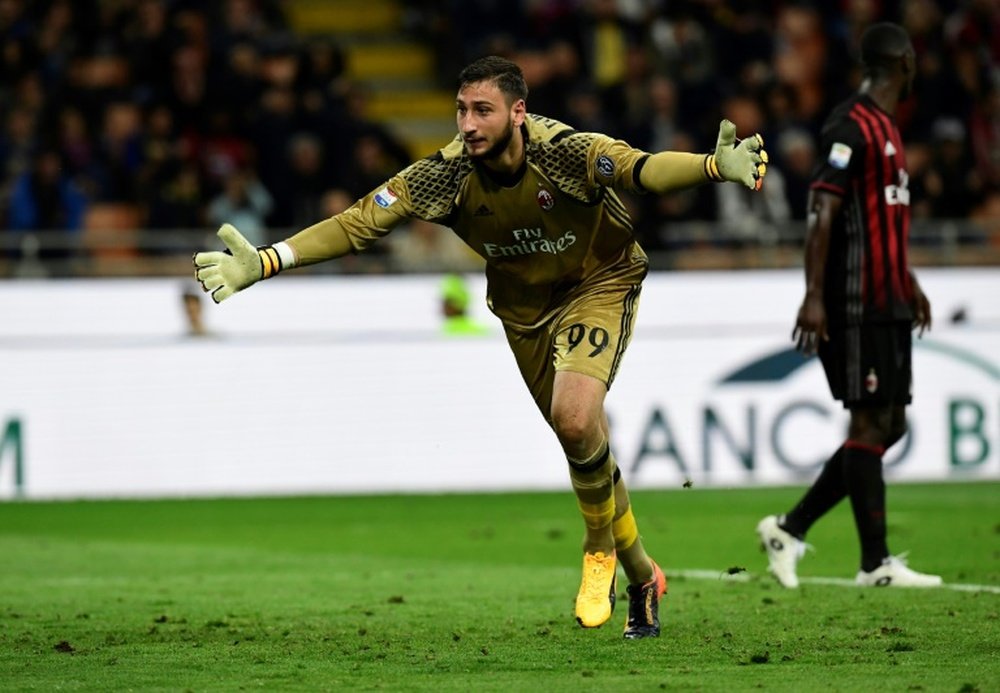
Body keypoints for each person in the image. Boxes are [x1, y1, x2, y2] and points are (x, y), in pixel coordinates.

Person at [194, 56, 768, 637]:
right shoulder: (444, 175)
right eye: (462, 110)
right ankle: (644, 575)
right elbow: (356, 223)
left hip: (600, 281)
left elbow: (642, 170)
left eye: (482, 111)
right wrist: (268, 260)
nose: (468, 124)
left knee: (574, 419)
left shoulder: (564, 152)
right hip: (524, 313)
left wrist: (712, 167)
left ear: (518, 113)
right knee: (584, 439)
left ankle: (599, 551)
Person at [756, 23, 942, 589]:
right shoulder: (851, 124)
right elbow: (822, 210)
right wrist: (814, 296)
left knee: (891, 423)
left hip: (889, 298)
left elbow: (877, 216)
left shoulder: (887, 128)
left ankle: (791, 527)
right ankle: (875, 563)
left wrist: (908, 279)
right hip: (855, 302)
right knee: (869, 421)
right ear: (905, 62)